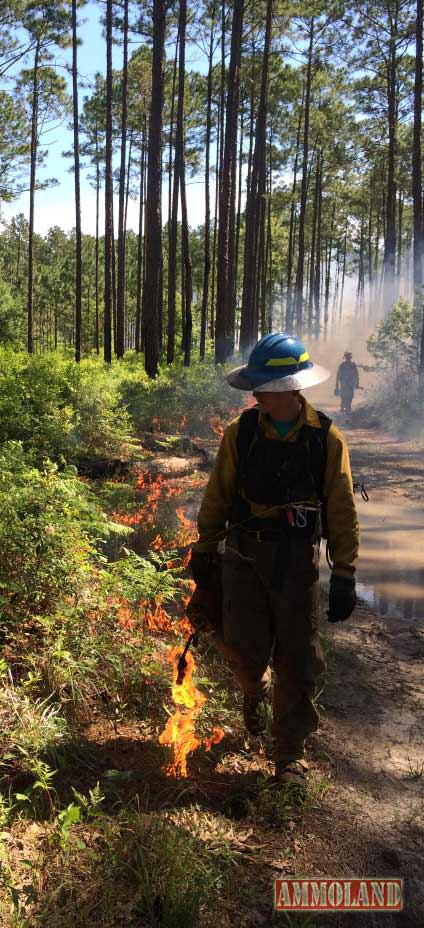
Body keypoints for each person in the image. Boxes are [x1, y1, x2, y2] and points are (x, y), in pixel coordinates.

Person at [189, 333, 359, 790]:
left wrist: (344, 572)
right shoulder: (241, 432)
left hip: (296, 565)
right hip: (242, 558)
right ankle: (252, 687)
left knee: (298, 658)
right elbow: (217, 495)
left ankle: (289, 757)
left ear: (288, 388)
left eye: (262, 385)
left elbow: (341, 506)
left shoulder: (325, 439)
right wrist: (204, 550)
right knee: (242, 650)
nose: (255, 393)